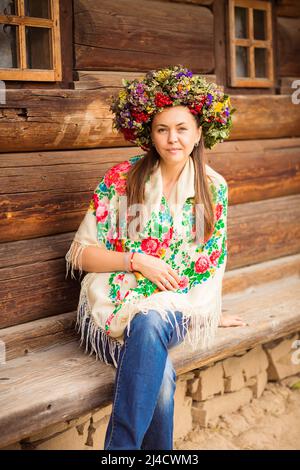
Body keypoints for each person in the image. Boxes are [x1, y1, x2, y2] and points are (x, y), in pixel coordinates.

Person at [65, 64, 247, 450]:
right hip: (113, 302)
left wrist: (209, 310)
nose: (172, 139)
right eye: (162, 129)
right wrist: (135, 260)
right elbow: (80, 254)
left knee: (151, 321)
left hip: (177, 305)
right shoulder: (121, 179)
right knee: (159, 372)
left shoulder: (213, 188)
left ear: (200, 133)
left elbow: (209, 262)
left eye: (182, 128)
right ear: (149, 134)